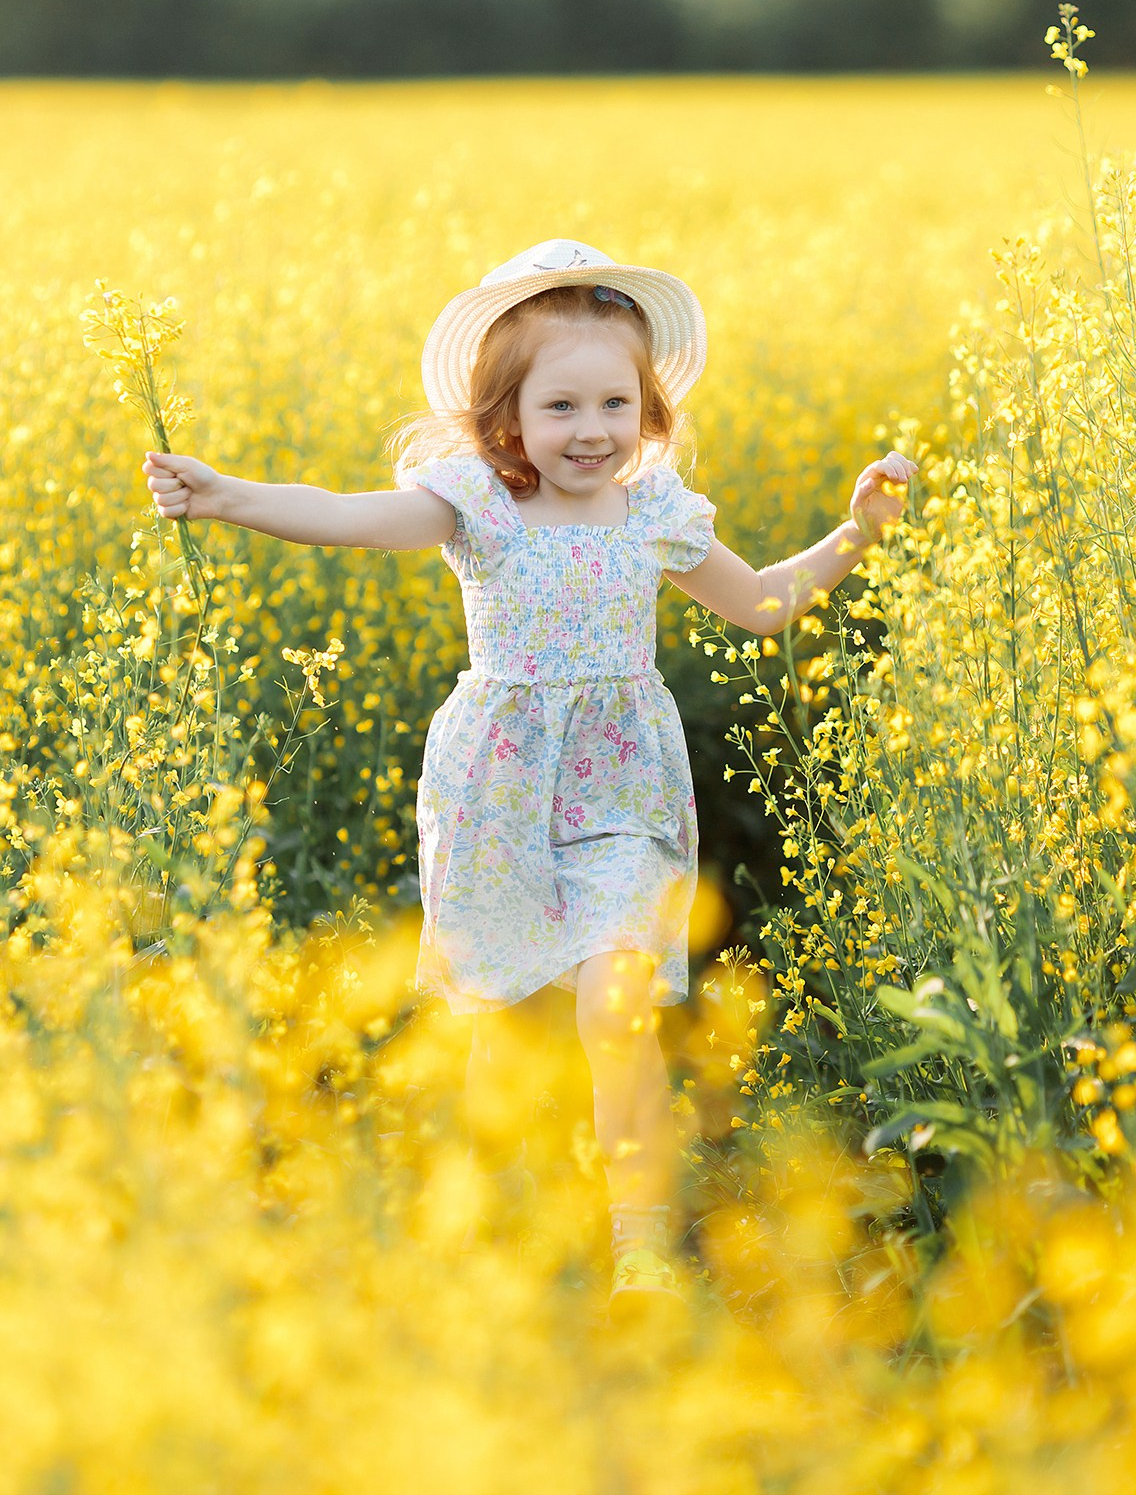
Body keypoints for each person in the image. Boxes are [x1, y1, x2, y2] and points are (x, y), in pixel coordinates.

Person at [142, 237, 916, 1314]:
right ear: (504, 416)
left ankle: (639, 1238)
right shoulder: (476, 504)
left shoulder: (653, 512)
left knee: (615, 1003)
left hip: (622, 789)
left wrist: (854, 533)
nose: (590, 430)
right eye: (560, 407)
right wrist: (229, 497)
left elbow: (763, 604)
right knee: (501, 1010)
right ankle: (492, 1217)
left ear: (646, 410)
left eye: (613, 403)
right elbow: (352, 519)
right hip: (498, 784)